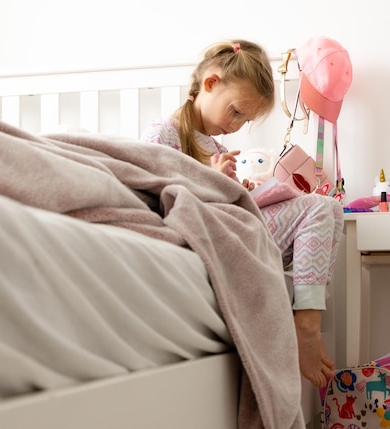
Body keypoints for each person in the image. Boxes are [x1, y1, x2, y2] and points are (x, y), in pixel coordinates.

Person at [140, 39, 343, 389]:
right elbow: (158, 200)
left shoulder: (217, 147)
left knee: (331, 210)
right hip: (205, 238)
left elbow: (225, 201)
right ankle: (306, 324)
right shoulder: (163, 134)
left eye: (245, 120)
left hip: (231, 231)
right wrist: (215, 182)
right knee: (318, 209)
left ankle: (304, 315)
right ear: (210, 84)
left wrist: (242, 190)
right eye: (236, 112)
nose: (236, 126)